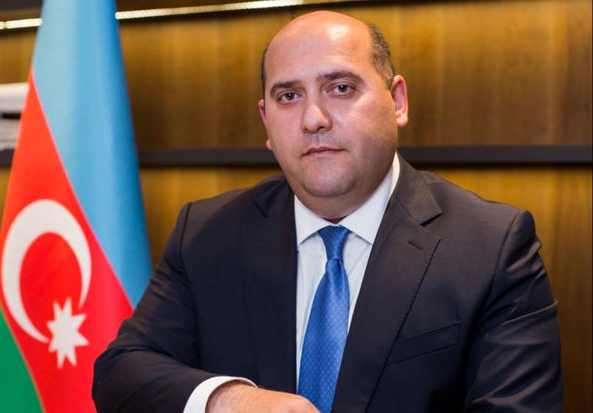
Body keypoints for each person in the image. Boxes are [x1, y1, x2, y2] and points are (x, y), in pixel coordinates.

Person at [92, 10, 562, 413]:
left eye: (340, 87)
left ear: (397, 101)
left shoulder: (492, 246)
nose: (313, 119)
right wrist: (229, 400)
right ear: (266, 122)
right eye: (289, 96)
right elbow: (121, 371)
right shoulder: (207, 232)